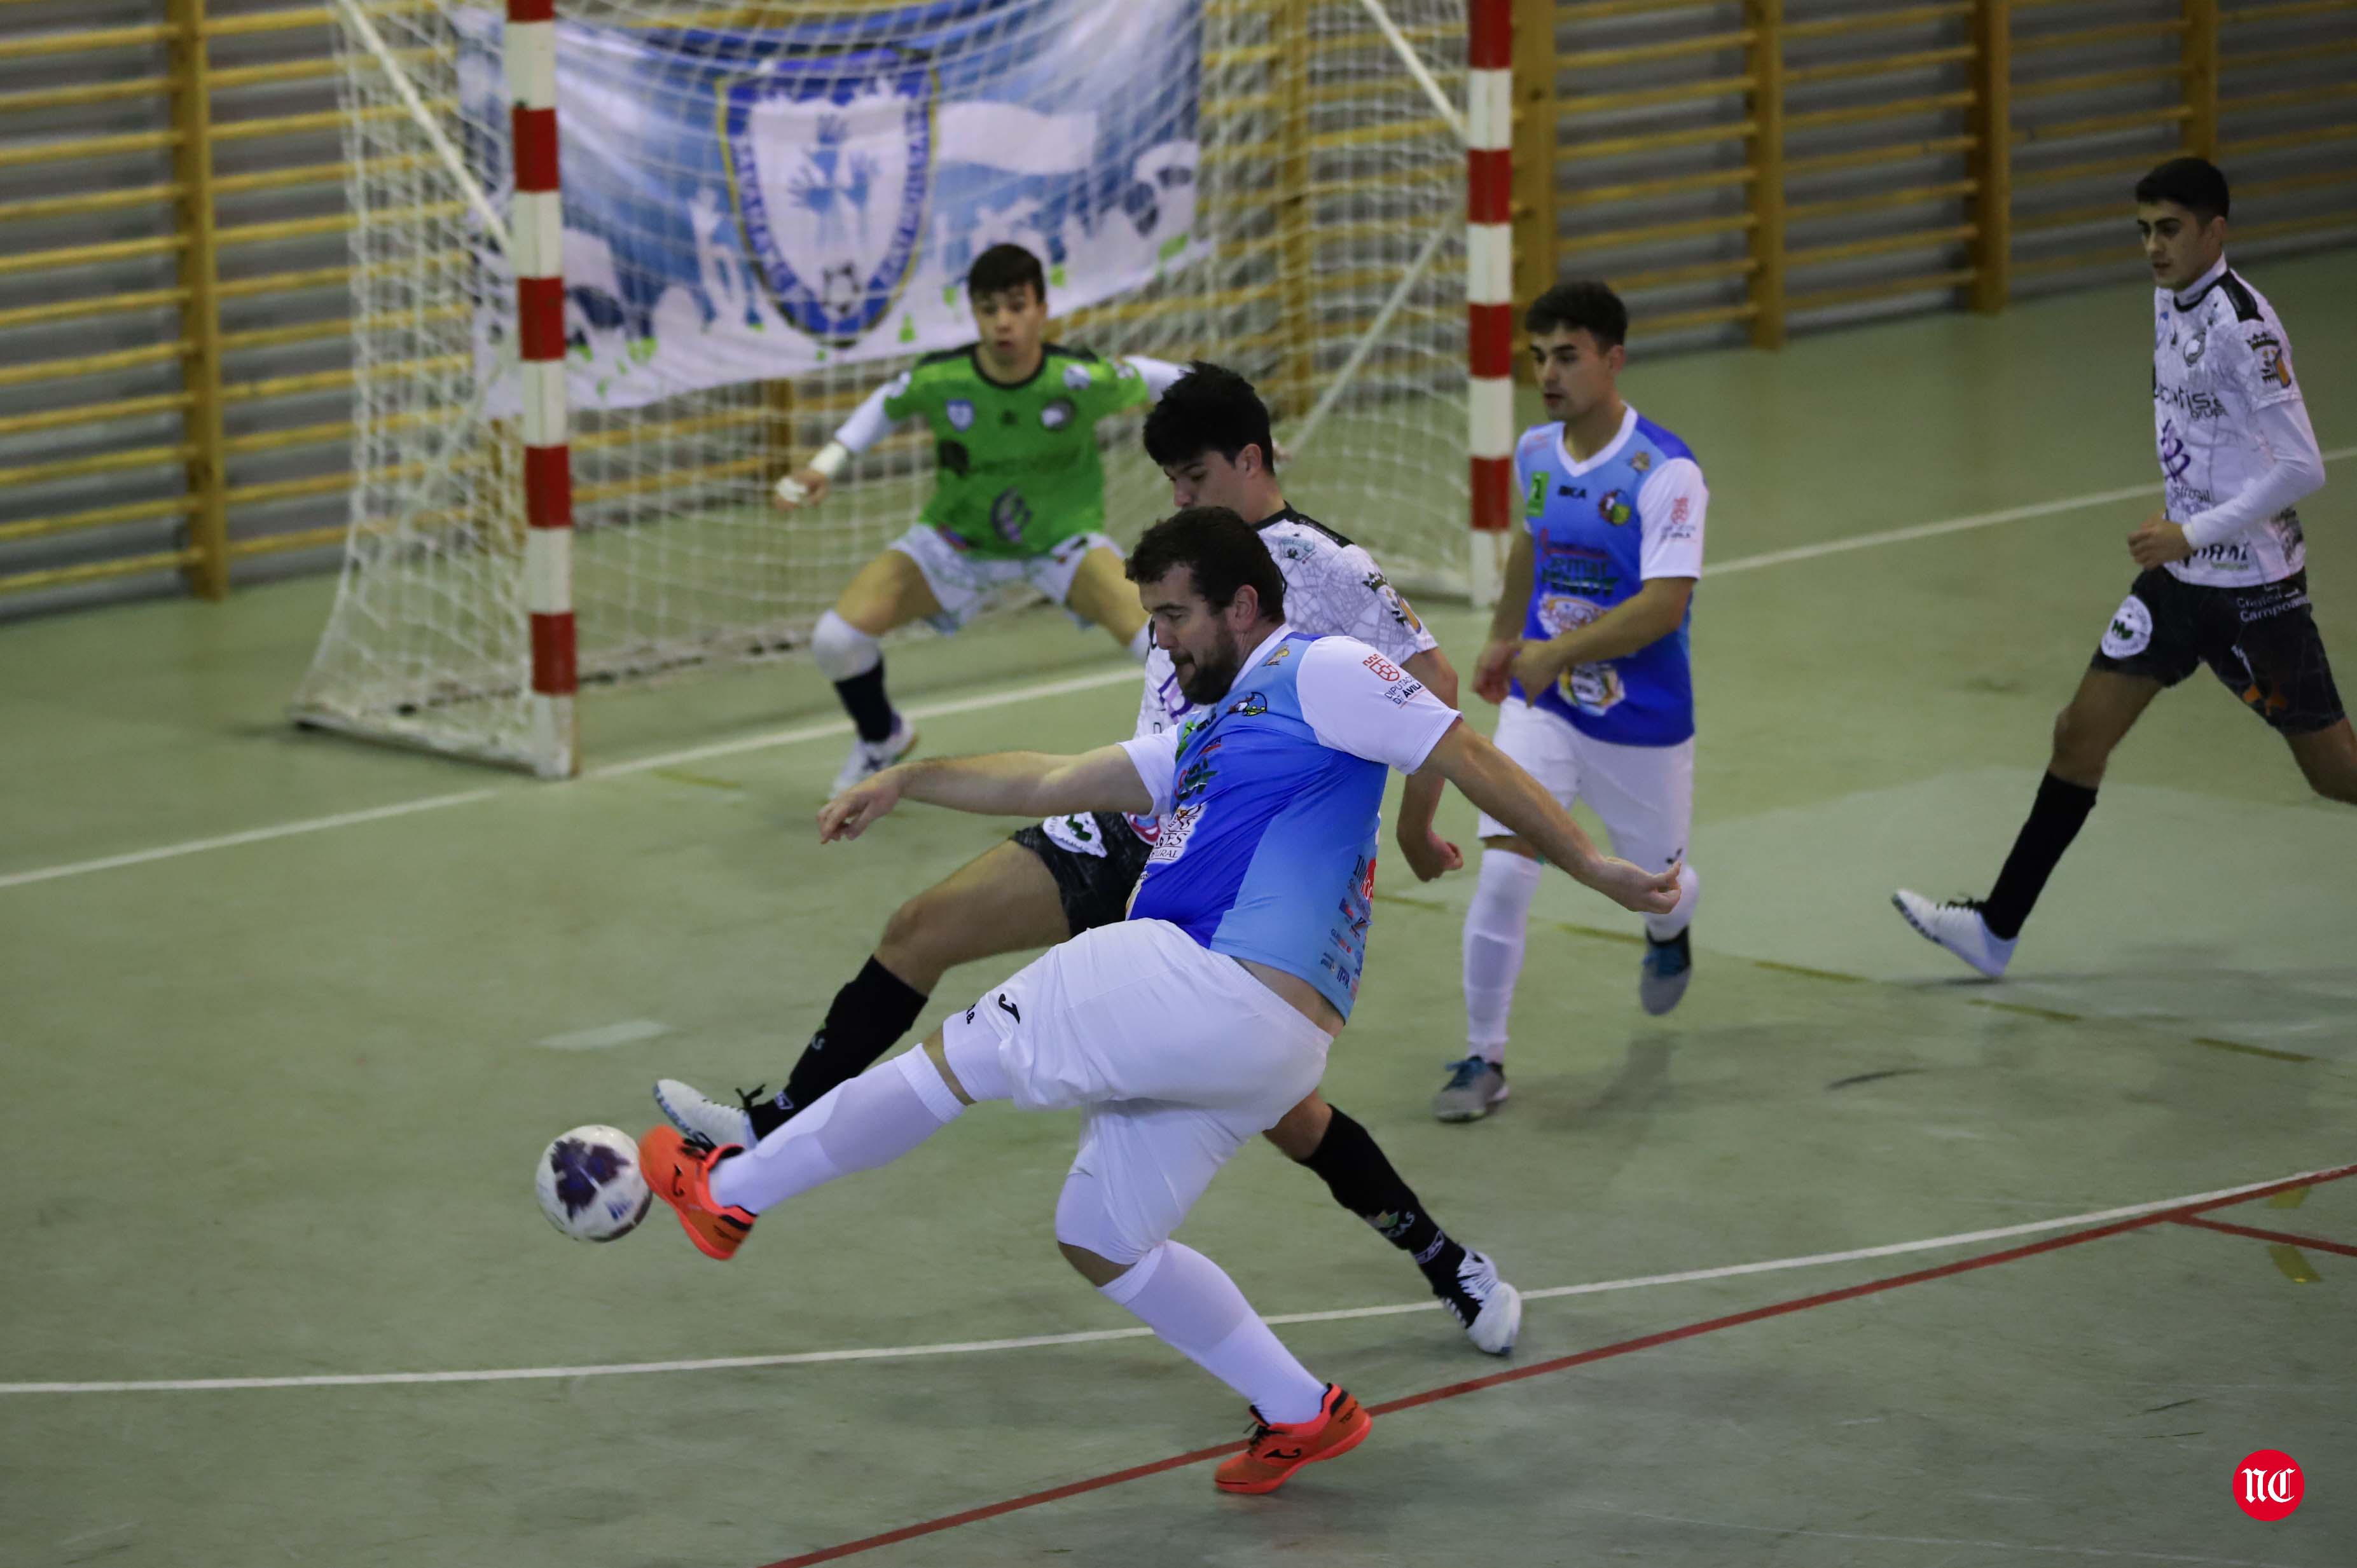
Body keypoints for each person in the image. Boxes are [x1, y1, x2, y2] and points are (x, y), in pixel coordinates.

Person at [637, 507, 1681, 1494]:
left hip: (1209, 977)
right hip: (1266, 1048)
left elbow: (1470, 752)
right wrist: (907, 779)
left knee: (961, 1057)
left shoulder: (1321, 669)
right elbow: (1049, 781)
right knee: (1101, 1235)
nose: (1163, 641)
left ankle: (733, 1194)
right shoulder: (1213, 732)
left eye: (1174, 616)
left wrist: (1595, 868)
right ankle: (1301, 1408)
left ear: (1240, 604)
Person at [658, 364, 1524, 1352]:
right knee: (921, 927)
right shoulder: (1188, 559)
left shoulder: (1320, 562)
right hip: (1125, 820)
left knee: (1292, 1114)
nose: (1180, 498)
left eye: (1194, 477)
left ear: (1250, 461)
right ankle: (770, 1133)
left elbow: (1436, 681)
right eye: (1168, 481)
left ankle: (1442, 1258)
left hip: (1222, 864)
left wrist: (1413, 825)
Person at [1894, 157, 2350, 977]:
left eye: (2169, 229)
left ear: (2215, 231)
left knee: (2334, 774)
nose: (2152, 246)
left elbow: (2302, 466)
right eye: (2142, 230)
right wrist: (2183, 540)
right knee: (2078, 735)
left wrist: (2191, 530)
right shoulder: (2166, 302)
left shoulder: (2246, 328)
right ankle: (1995, 930)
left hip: (2254, 595)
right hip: (2179, 586)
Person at [1438, 280, 1707, 1123]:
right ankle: (1482, 1057)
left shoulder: (1665, 472)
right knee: (1506, 870)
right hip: (1543, 704)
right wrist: (1503, 634)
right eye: (1536, 357)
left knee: (1658, 882)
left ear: (1611, 359)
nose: (1547, 374)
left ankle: (1670, 930)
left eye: (1566, 356)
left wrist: (1555, 649)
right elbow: (1531, 545)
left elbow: (1665, 605)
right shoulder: (1533, 453)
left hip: (1642, 717)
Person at [781, 242, 1187, 792]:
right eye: (988, 308)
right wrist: (825, 463)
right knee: (835, 641)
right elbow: (887, 403)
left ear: (1042, 309)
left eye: (1017, 306)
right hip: (956, 546)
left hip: (1061, 545)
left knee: (1164, 643)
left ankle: (1196, 761)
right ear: (973, 314)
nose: (1003, 322)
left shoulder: (1076, 379)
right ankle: (882, 739)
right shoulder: (945, 380)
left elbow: (1151, 375)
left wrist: (1237, 417)